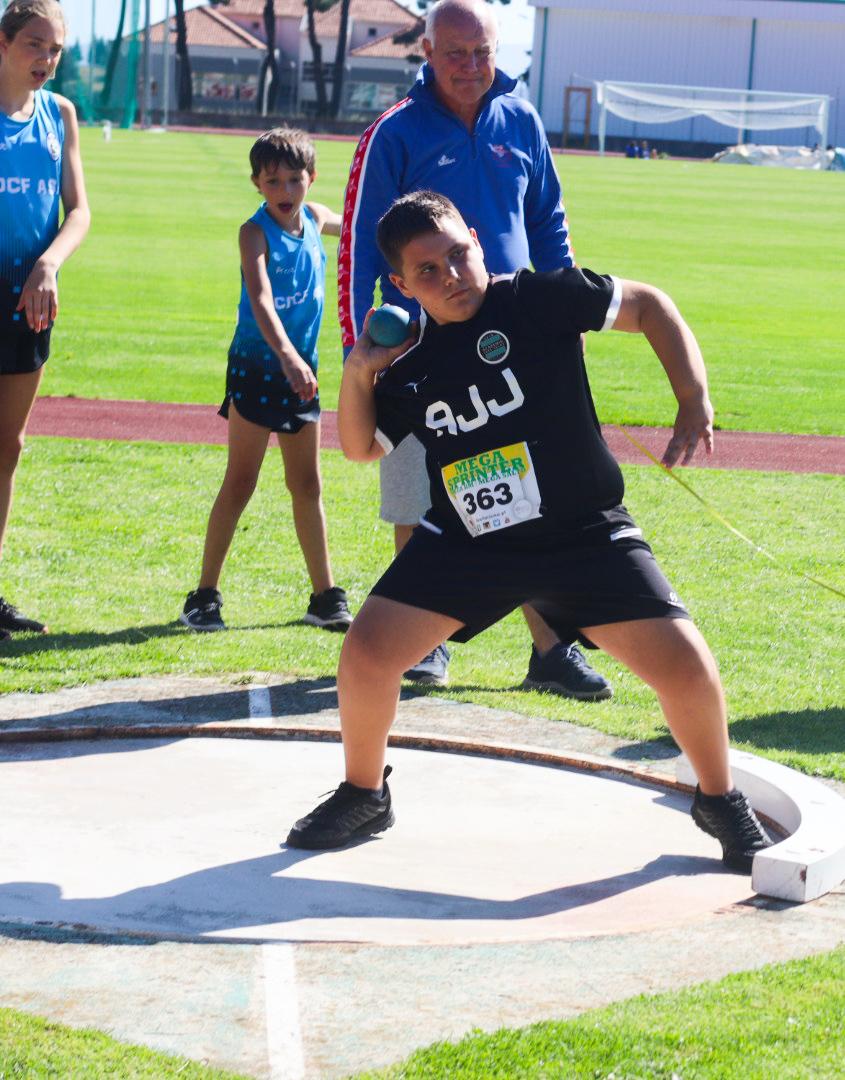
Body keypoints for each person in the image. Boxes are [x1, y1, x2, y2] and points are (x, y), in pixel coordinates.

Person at [285, 191, 771, 873]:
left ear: (477, 241)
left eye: (459, 254)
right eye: (428, 271)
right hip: (469, 544)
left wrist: (693, 397)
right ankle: (365, 792)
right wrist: (362, 371)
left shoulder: (536, 298)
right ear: (399, 285)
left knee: (686, 666)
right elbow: (363, 448)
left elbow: (650, 305)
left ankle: (719, 800)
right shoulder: (410, 358)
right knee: (365, 655)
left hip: (582, 534)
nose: (451, 275)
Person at [339, 0, 609, 696]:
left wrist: (565, 316)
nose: (470, 67)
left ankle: (551, 648)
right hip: (422, 347)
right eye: (455, 53)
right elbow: (357, 244)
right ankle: (423, 642)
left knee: (527, 489)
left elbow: (548, 218)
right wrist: (360, 354)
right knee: (417, 489)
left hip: (518, 341)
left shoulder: (520, 119)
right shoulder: (393, 133)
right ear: (425, 50)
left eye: (483, 52)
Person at [180, 129, 352, 633]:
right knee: (241, 481)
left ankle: (324, 597)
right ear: (256, 183)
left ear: (311, 180)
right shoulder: (253, 232)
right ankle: (204, 596)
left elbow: (365, 231)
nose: (285, 188)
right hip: (261, 367)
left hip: (302, 371)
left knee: (307, 483)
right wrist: (287, 357)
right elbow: (260, 298)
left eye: (295, 179)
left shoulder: (316, 218)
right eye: (272, 179)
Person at [0, 0, 88, 641]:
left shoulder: (60, 115)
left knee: (8, 447)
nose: (47, 60)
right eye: (35, 45)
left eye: (55, 49)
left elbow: (79, 210)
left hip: (29, 300)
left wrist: (49, 263)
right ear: (3, 42)